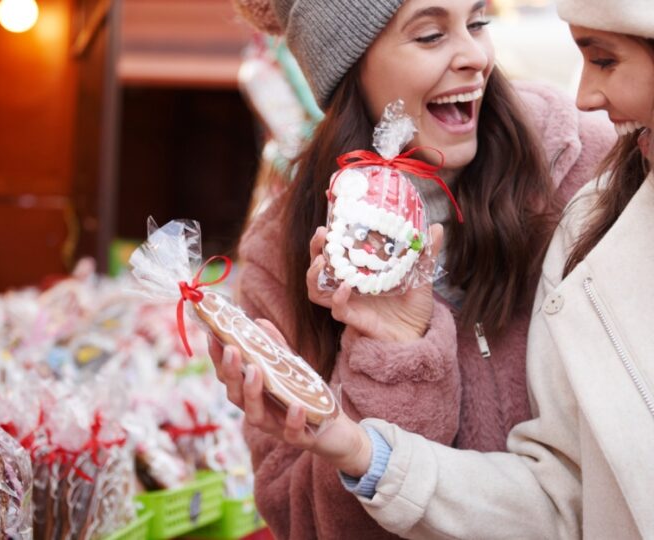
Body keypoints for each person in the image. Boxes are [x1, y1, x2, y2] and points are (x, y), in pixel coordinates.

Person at [217, 0, 654, 537]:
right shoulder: (283, 257)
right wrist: (392, 361)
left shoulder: (584, 161)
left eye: (477, 23)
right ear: (349, 68)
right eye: (429, 36)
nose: (474, 55)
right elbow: (306, 521)